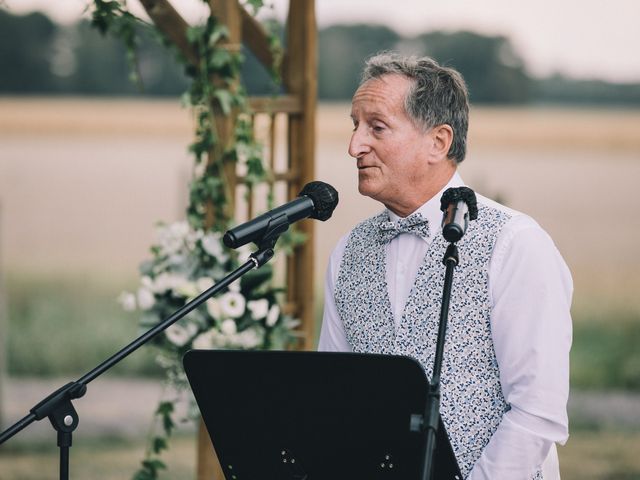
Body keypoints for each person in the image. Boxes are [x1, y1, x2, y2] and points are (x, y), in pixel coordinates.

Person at [318, 52, 572, 480]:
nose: (354, 145)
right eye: (354, 125)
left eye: (376, 127)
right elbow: (334, 396)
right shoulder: (348, 252)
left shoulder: (515, 244)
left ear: (438, 141)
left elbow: (537, 412)